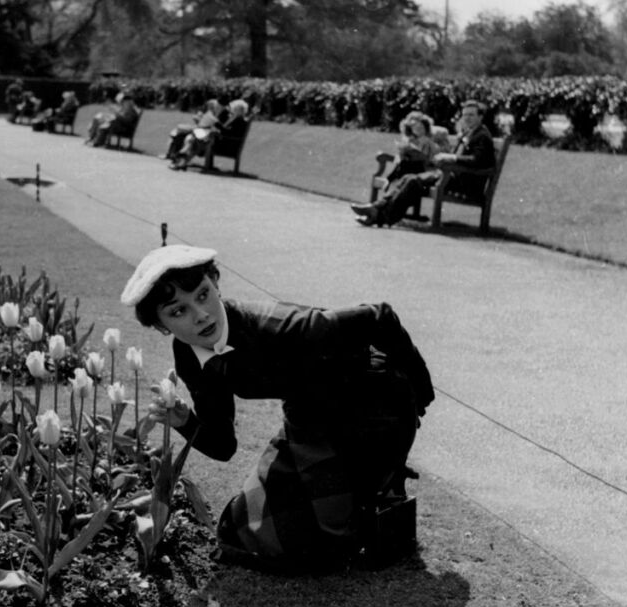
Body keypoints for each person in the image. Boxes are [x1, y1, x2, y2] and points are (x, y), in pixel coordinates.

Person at [121, 244, 434, 570]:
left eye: (202, 295)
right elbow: (223, 445)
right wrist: (184, 421)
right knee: (240, 529)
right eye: (177, 311)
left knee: (321, 544)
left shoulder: (282, 326)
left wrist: (420, 397)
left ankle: (375, 485)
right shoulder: (190, 357)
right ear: (160, 325)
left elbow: (379, 316)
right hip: (309, 414)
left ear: (215, 282)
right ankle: (356, 490)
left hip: (376, 408)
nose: (200, 315)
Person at [350, 100, 496, 227]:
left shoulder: (482, 136)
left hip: (466, 182)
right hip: (451, 175)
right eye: (465, 115)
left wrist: (451, 158)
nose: (467, 118)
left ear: (480, 116)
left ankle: (380, 216)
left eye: (471, 115)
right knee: (409, 178)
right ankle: (376, 209)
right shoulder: (469, 132)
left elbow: (478, 161)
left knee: (413, 181)